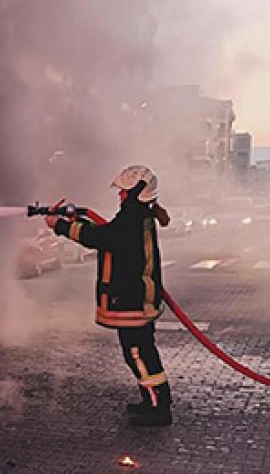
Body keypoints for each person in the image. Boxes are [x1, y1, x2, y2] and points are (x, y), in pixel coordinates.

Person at [45, 165, 174, 427]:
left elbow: (99, 237)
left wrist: (59, 225)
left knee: (138, 354)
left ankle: (158, 409)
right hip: (136, 300)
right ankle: (152, 400)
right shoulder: (137, 216)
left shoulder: (132, 218)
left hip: (133, 301)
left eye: (123, 191)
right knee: (141, 352)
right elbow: (108, 233)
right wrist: (74, 218)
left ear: (136, 192)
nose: (120, 195)